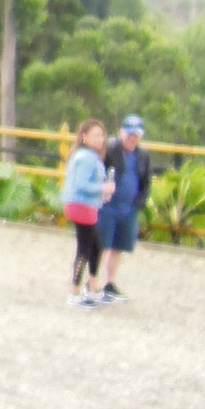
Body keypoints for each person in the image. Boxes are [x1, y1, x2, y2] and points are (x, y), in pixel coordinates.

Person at [99, 114, 151, 303]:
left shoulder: (142, 155)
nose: (132, 139)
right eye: (129, 134)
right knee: (102, 245)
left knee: (118, 247)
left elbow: (146, 181)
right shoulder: (110, 149)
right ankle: (93, 283)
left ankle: (110, 283)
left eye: (136, 135)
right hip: (108, 207)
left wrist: (140, 202)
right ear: (121, 132)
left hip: (128, 209)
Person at [62, 118, 112, 306]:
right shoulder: (86, 158)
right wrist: (103, 188)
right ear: (84, 137)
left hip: (86, 206)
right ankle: (75, 293)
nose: (101, 139)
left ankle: (92, 286)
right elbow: (81, 185)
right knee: (84, 249)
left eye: (102, 135)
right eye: (96, 135)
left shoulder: (87, 156)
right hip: (81, 206)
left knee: (96, 246)